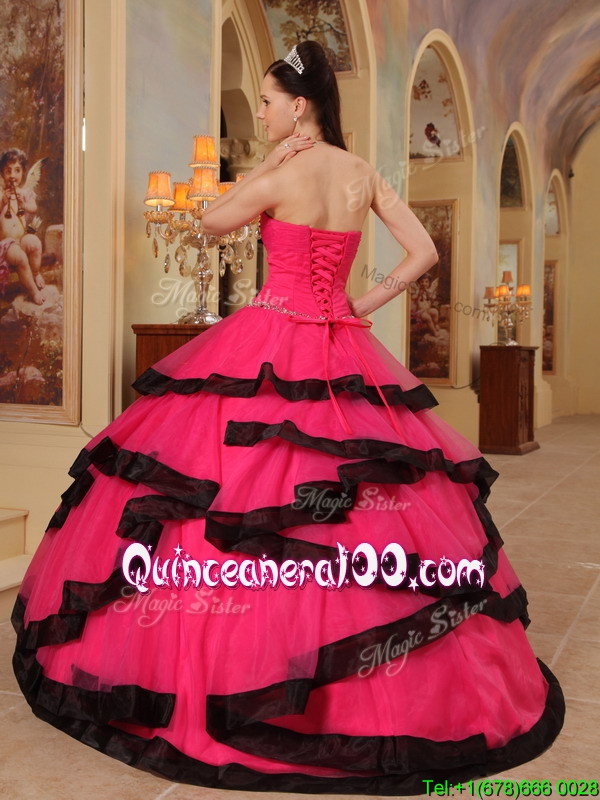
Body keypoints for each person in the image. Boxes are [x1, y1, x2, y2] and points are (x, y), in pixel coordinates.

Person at [12, 41, 564, 794]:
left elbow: (209, 223)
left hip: (272, 336)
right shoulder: (362, 173)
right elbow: (423, 252)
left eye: (269, 102)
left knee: (240, 500)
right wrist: (362, 303)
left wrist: (267, 170)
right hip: (341, 341)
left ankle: (235, 668)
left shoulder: (284, 172)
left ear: (299, 105)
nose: (264, 114)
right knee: (366, 503)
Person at [0, 148, 45, 305]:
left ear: (23, 172)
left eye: (17, 170)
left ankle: (36, 273)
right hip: (6, 245)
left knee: (35, 243)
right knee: (20, 257)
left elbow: (33, 208)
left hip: (21, 239)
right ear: (2, 174)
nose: (12, 175)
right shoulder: (1, 194)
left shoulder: (25, 193)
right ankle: (33, 291)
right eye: (8, 171)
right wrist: (3, 203)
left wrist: (23, 204)